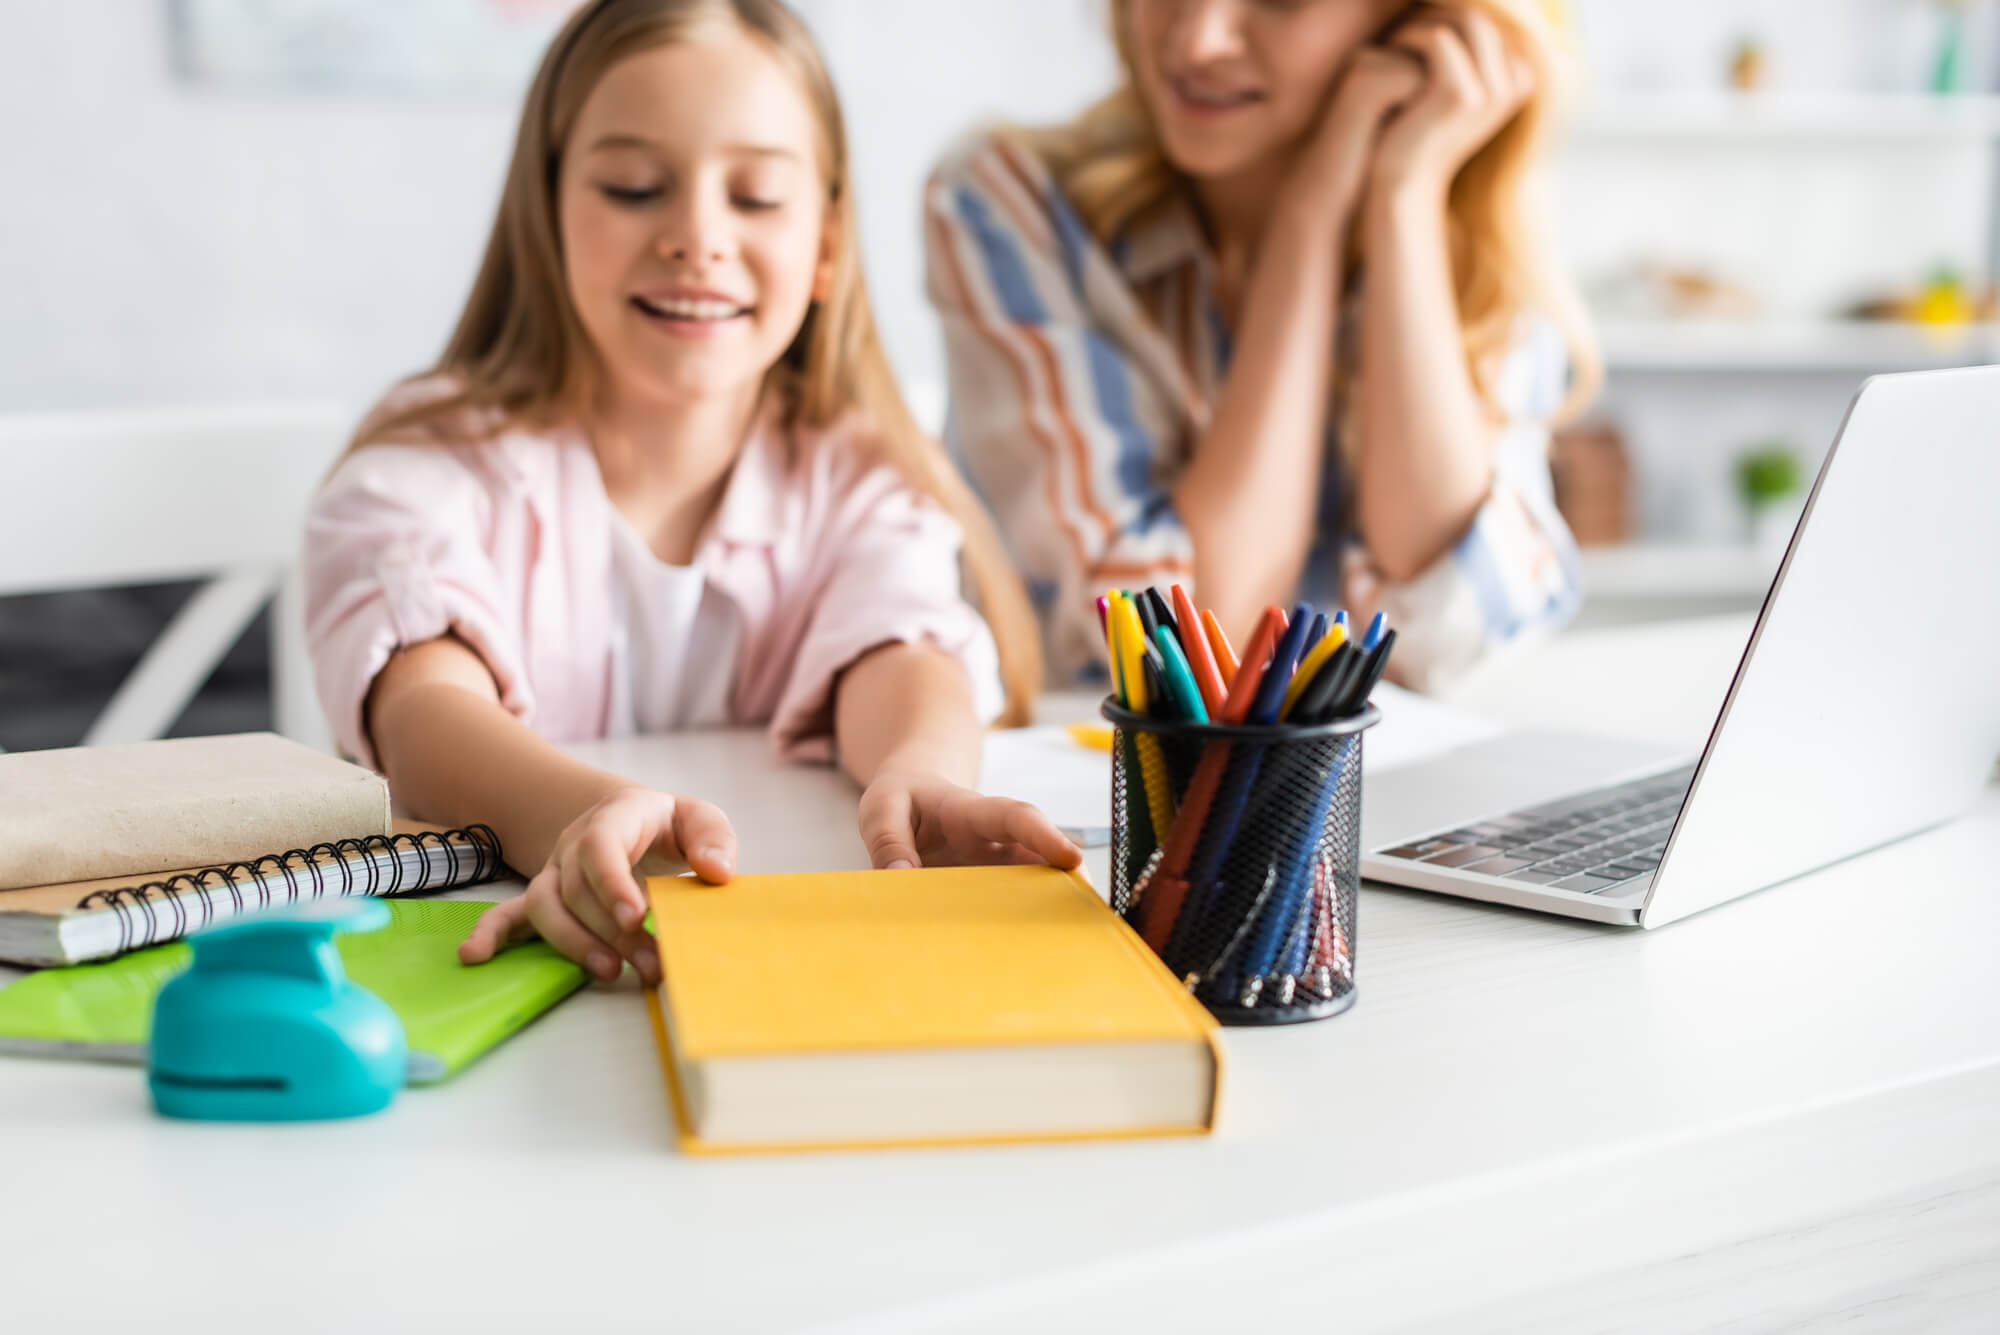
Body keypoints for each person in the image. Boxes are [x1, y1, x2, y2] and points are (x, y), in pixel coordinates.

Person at [305, 0, 1079, 987]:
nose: (696, 236)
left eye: (755, 197)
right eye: (633, 187)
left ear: (826, 246)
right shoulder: (425, 468)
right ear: (546, 214)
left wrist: (919, 774)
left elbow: (902, 643)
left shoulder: (857, 471)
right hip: (504, 973)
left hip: (770, 963)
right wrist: (581, 816)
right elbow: (423, 712)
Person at [925, 0, 1599, 689]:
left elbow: (1458, 625)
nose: (1198, 40)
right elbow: (1183, 648)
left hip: (1360, 785)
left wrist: (1404, 192)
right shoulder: (1010, 199)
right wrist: (1309, 220)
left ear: (1416, 21)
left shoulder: (1475, 240)